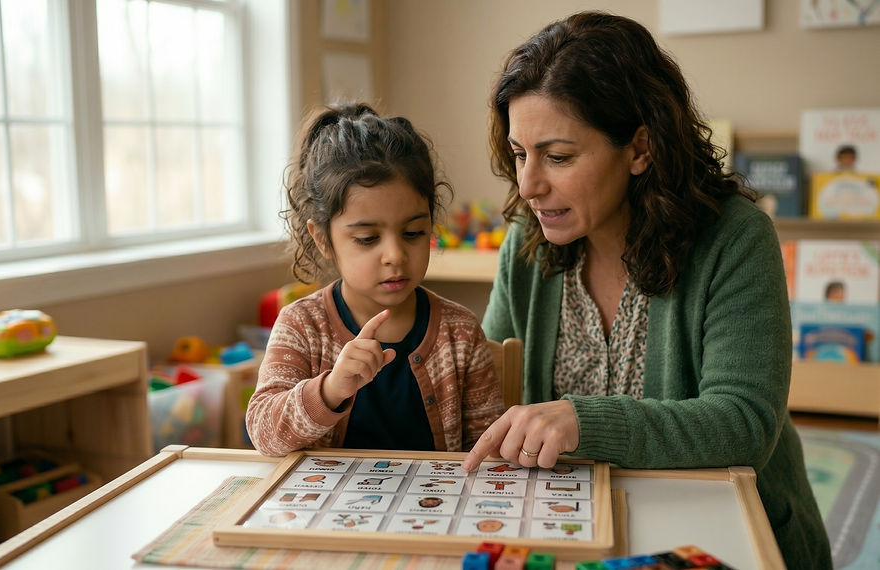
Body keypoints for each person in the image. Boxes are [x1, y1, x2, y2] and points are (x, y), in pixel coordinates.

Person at [460, 11, 831, 568]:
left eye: (558, 157)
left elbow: (743, 421)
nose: (529, 185)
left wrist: (584, 420)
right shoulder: (526, 242)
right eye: (519, 153)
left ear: (640, 148)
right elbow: (488, 387)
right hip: (572, 530)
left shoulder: (734, 237)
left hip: (723, 535)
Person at [246, 103, 503, 457]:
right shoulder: (302, 325)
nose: (395, 255)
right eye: (368, 239)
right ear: (323, 238)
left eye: (413, 232)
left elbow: (488, 450)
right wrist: (330, 390)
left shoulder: (460, 331)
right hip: (324, 510)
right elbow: (264, 432)